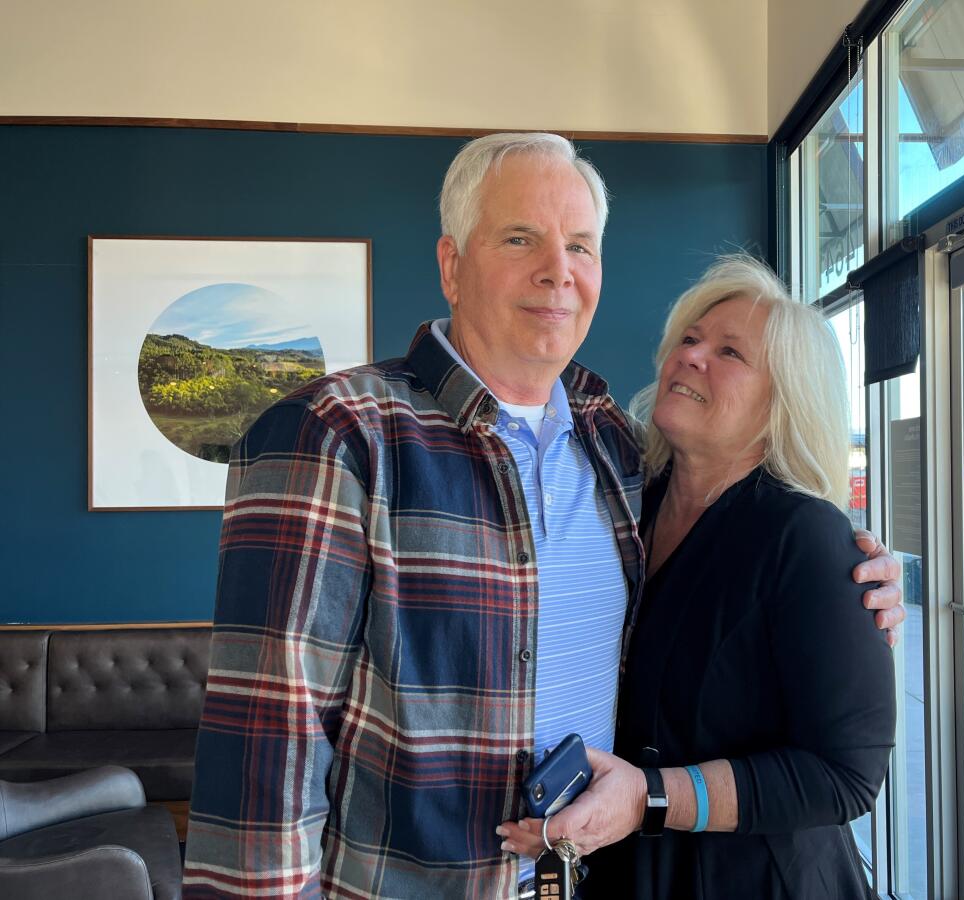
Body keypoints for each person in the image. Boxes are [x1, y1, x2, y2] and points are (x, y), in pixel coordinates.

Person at [182, 133, 904, 899]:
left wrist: (859, 582)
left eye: (580, 246)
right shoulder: (338, 435)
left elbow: (830, 736)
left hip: (594, 878)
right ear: (452, 266)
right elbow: (268, 745)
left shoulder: (611, 452)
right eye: (520, 237)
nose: (557, 270)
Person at [498, 256, 897, 899]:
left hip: (758, 880)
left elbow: (845, 774)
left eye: (730, 352)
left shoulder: (810, 540)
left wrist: (652, 799)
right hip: (623, 869)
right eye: (689, 338)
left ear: (781, 403)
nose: (692, 356)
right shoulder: (624, 502)